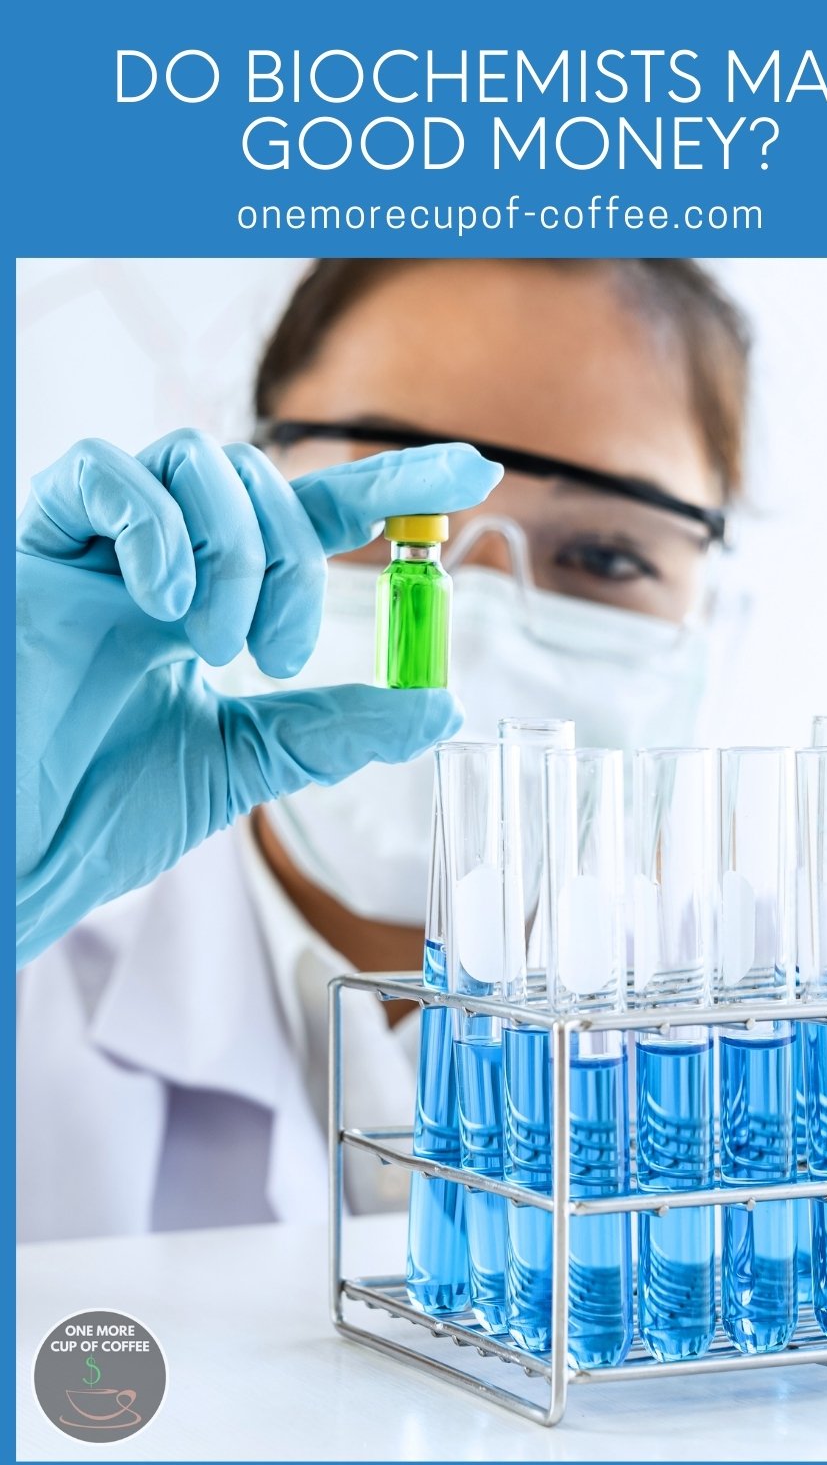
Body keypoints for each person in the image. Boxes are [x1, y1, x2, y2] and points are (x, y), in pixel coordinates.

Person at [16, 259, 750, 1240]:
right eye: (393, 518)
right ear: (243, 500)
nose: (473, 617)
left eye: (606, 556)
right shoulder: (35, 981)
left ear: (716, 621)